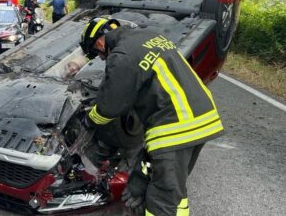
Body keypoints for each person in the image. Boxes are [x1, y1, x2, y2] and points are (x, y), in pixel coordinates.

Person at [79, 17, 224, 215]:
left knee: (164, 198)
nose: (102, 58)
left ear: (99, 43)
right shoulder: (150, 36)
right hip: (201, 116)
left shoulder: (121, 54)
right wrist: (139, 180)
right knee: (169, 186)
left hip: (175, 125)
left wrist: (89, 120)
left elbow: (110, 106)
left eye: (98, 53)